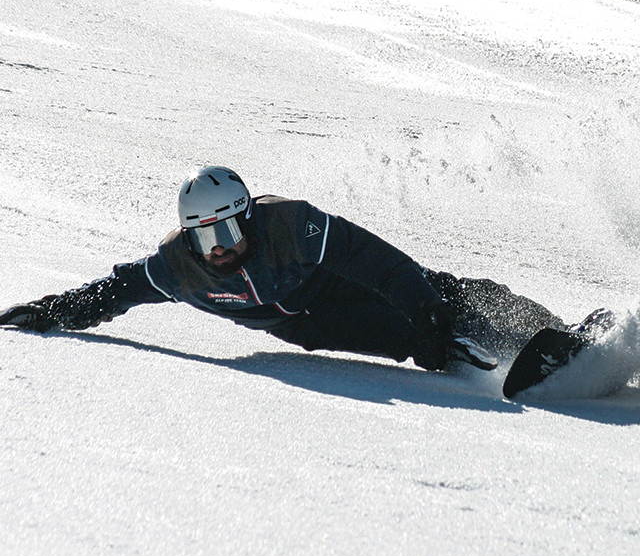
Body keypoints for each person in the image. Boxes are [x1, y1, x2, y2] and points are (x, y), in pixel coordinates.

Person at [0, 166, 567, 371]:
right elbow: (117, 290)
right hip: (304, 325)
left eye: (227, 230)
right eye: (205, 237)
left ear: (248, 217)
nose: (218, 248)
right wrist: (55, 311)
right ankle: (491, 373)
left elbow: (380, 263)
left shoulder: (291, 227)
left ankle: (551, 333)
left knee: (439, 297)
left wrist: (429, 309)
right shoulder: (182, 267)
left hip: (328, 277)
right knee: (412, 341)